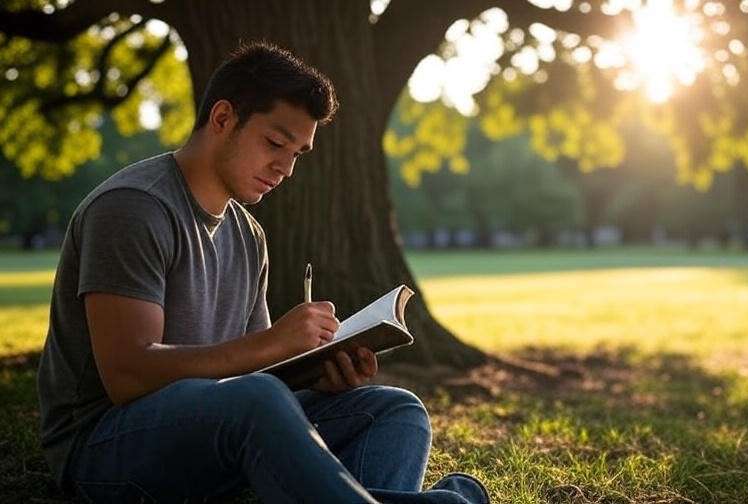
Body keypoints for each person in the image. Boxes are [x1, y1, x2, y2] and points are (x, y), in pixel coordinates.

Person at [36, 41, 489, 504]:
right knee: (256, 401)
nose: (285, 168)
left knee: (395, 410)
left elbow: (260, 374)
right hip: (105, 447)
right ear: (222, 119)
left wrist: (318, 374)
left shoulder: (249, 235)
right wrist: (275, 342)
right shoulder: (134, 207)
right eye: (275, 143)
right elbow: (127, 376)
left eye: (297, 154)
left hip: (222, 432)